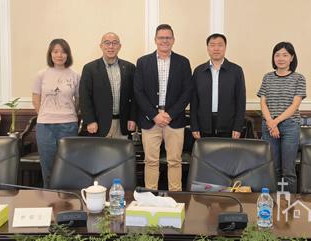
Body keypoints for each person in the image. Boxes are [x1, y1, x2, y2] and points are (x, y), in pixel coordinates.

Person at [134, 24, 192, 191]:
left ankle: (176, 198)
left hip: (174, 119)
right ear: (155, 40)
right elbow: (138, 91)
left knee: (175, 161)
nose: (164, 40)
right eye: (161, 37)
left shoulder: (183, 62)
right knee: (150, 161)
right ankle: (150, 197)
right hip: (150, 120)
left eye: (168, 37)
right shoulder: (143, 62)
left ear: (173, 40)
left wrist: (170, 114)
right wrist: (154, 115)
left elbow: (187, 92)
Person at [257, 42, 306, 193]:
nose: (281, 58)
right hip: (269, 126)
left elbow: (294, 105)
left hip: (290, 126)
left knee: (288, 170)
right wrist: (271, 123)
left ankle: (288, 207)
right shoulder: (267, 78)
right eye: (277, 54)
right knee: (272, 167)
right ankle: (272, 204)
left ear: (292, 57)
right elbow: (263, 103)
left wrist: (275, 122)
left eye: (285, 55)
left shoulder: (299, 78)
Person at [32, 38, 80, 188]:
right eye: (56, 51)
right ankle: (50, 199)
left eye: (63, 51)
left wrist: (70, 113)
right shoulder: (41, 74)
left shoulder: (75, 75)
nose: (60, 55)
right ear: (50, 54)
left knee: (68, 165)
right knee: (48, 166)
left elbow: (78, 100)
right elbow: (36, 99)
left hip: (69, 125)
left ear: (68, 55)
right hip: (45, 126)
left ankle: (68, 200)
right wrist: (45, 114)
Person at [80, 32, 137, 138]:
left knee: (121, 154)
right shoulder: (90, 69)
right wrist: (90, 121)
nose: (111, 46)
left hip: (123, 124)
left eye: (115, 43)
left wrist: (133, 118)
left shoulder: (130, 68)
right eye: (107, 43)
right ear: (101, 46)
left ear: (119, 47)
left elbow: (134, 96)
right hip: (98, 124)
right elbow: (85, 97)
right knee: (99, 154)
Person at [190, 33, 246, 139]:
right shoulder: (199, 71)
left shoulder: (236, 71)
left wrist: (238, 127)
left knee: (227, 156)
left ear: (225, 47)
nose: (216, 48)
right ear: (207, 48)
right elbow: (194, 101)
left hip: (228, 126)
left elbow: (240, 101)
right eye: (212, 45)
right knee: (204, 155)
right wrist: (194, 126)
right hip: (203, 127)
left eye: (220, 45)